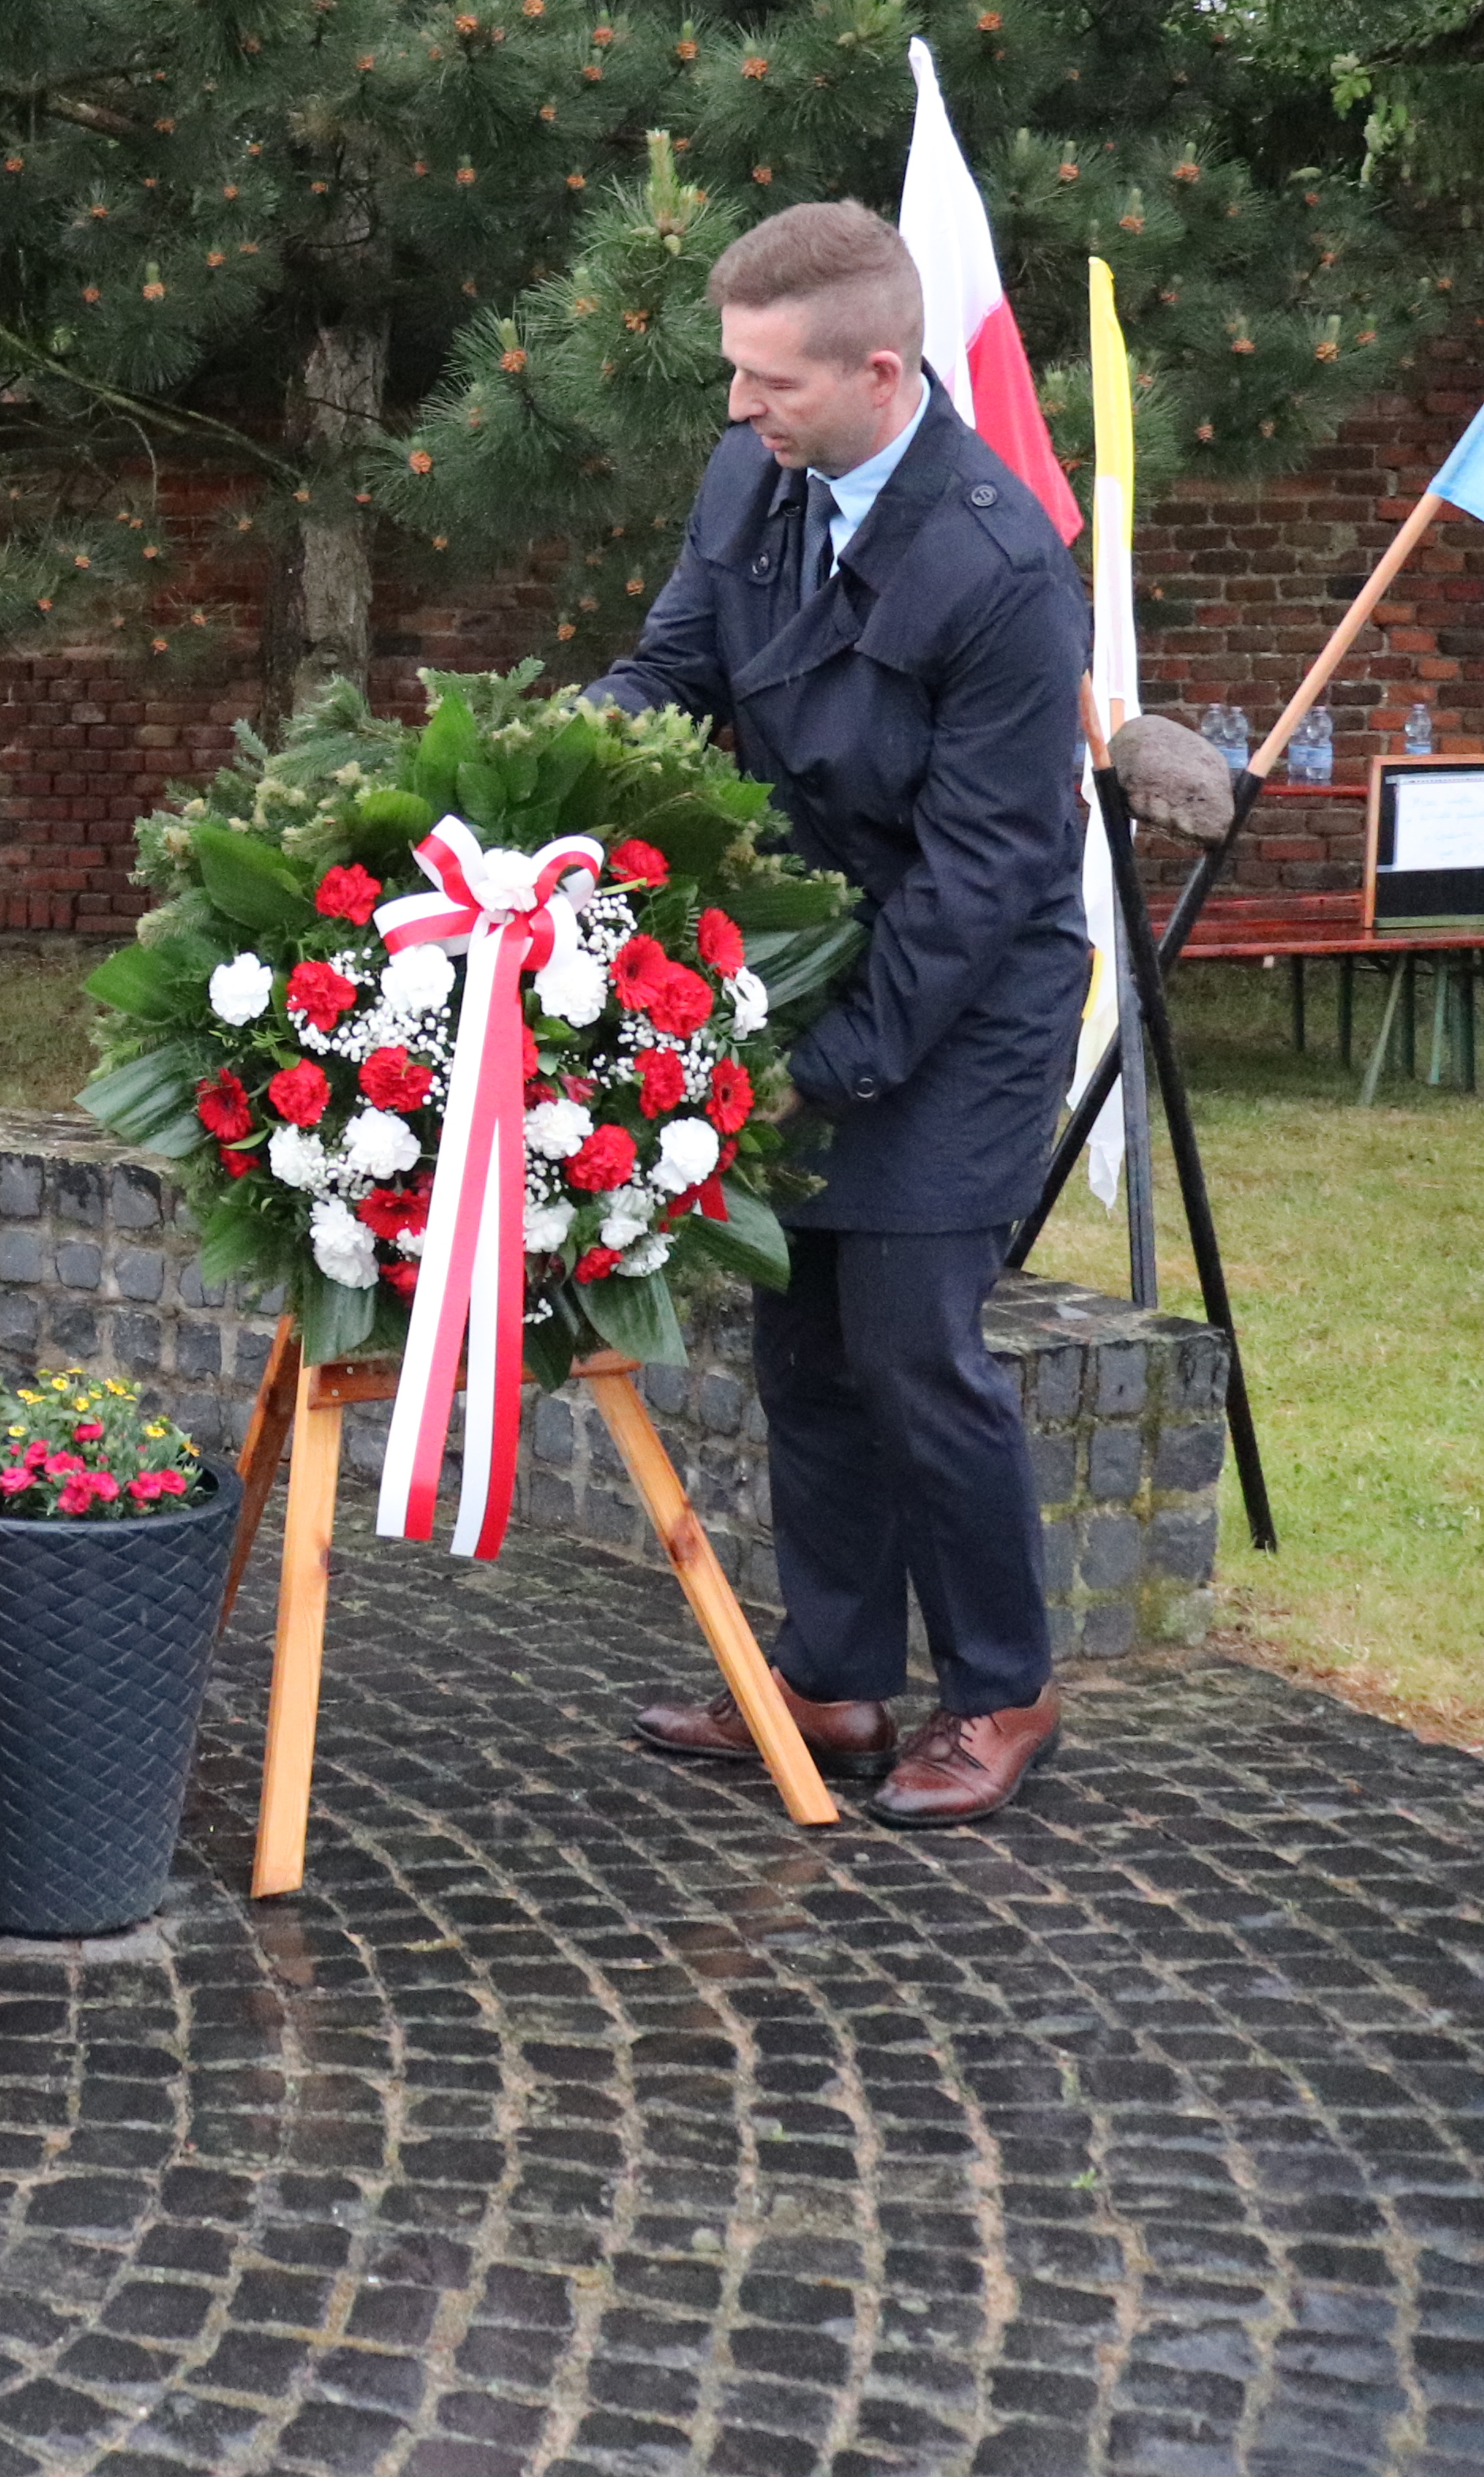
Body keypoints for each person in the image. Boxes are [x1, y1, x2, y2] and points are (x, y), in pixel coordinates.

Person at [597, 198, 1090, 1827]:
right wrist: (540, 788)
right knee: (802, 1341)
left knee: (909, 1345)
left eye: (770, 382)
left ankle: (1005, 1691)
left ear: (882, 371)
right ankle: (833, 1680)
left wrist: (831, 1065)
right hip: (803, 964)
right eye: (735, 376)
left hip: (966, 997)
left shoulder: (1001, 565)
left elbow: (985, 873)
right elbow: (672, 670)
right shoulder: (758, 474)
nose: (739, 409)